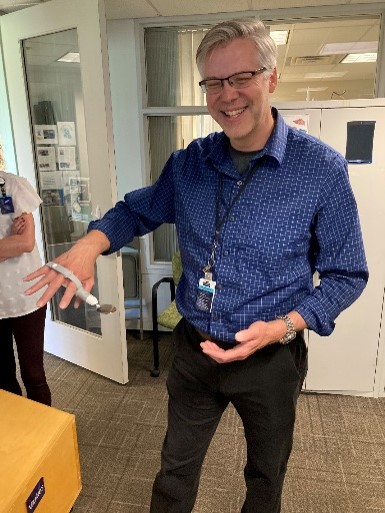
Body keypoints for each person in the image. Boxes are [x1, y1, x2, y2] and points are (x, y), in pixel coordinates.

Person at [25, 17, 368, 513]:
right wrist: (88, 246)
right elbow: (135, 211)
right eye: (213, 82)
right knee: (174, 471)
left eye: (241, 78)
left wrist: (283, 328)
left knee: (266, 476)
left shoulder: (320, 169)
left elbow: (346, 274)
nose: (227, 95)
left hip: (270, 359)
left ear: (271, 78)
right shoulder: (190, 164)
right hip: (195, 348)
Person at [0, 157, 51, 406]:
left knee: (33, 375)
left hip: (27, 297)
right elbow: (14, 245)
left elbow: (25, 243)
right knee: (3, 378)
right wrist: (6, 243)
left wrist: (13, 243)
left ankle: (45, 439)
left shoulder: (13, 187)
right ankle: (18, 437)